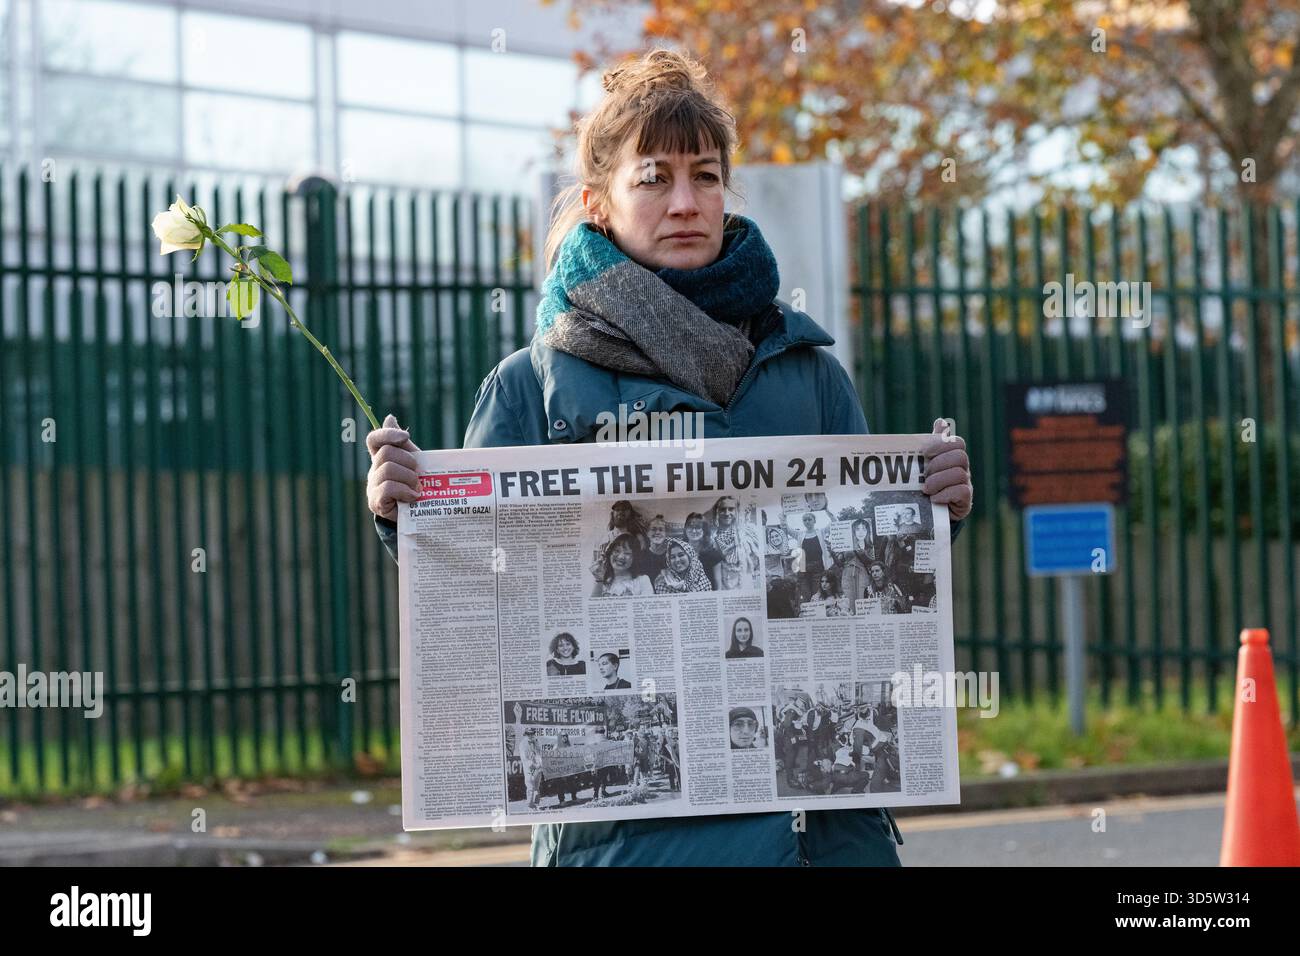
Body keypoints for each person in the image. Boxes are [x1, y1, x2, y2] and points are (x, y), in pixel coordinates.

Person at [366, 47, 973, 867]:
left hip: (823, 844)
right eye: (653, 178)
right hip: (625, 850)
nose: (686, 202)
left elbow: (871, 600)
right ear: (599, 204)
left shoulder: (811, 374)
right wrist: (408, 514)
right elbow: (482, 599)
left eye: (707, 176)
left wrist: (933, 513)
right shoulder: (531, 385)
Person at [591, 533, 655, 598]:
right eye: (616, 551)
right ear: (609, 553)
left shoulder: (642, 580)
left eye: (627, 553)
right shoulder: (599, 579)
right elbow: (592, 606)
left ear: (634, 558)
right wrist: (599, 581)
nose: (621, 557)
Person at [512, 703, 545, 811]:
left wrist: (539, 763)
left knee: (537, 787)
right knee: (530, 788)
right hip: (529, 769)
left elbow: (539, 753)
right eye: (529, 733)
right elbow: (525, 758)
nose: (531, 735)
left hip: (538, 768)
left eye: (532, 733)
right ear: (526, 734)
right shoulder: (523, 744)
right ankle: (530, 806)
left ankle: (537, 804)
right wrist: (534, 764)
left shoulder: (536, 741)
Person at [795, 511, 834, 601]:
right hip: (803, 569)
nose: (807, 521)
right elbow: (786, 529)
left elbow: (833, 522)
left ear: (814, 521)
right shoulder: (800, 535)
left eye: (809, 519)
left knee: (817, 594)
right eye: (805, 520)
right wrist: (783, 518)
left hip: (818, 567)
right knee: (805, 594)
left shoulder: (821, 532)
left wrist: (827, 510)